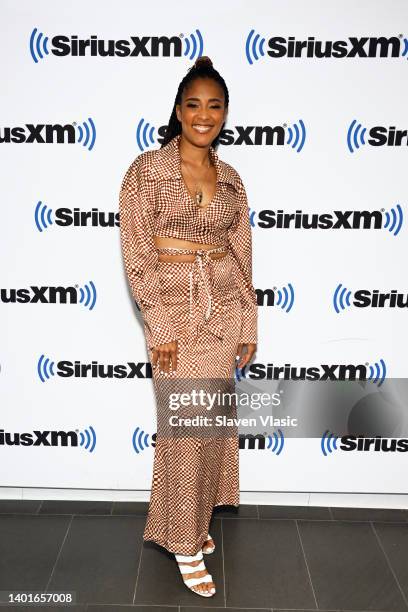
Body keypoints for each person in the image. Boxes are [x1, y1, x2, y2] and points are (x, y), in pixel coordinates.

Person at [119, 55, 257, 598]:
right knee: (184, 430)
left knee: (211, 427)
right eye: (194, 104)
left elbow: (242, 250)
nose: (204, 115)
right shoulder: (146, 170)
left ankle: (196, 522)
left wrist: (248, 321)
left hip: (222, 306)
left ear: (225, 114)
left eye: (214, 106)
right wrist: (159, 324)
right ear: (177, 111)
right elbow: (136, 250)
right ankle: (182, 541)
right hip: (175, 309)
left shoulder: (231, 177)